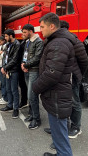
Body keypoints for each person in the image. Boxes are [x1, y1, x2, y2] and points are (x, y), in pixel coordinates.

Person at [32, 13, 74, 156]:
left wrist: (35, 87)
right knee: (57, 133)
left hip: (57, 96)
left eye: (42, 27)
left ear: (52, 26)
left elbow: (51, 73)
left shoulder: (58, 44)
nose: (40, 30)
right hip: (55, 95)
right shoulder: (56, 41)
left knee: (61, 135)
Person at [43, 20, 88, 139]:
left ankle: (76, 127)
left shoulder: (74, 41)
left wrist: (78, 75)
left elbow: (84, 61)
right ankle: (61, 128)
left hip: (71, 78)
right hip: (59, 78)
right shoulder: (54, 41)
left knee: (74, 102)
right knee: (61, 104)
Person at [21, 24, 44, 130]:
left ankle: (36, 119)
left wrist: (26, 65)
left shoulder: (38, 41)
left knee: (32, 95)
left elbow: (37, 57)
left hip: (33, 71)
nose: (23, 34)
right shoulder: (27, 41)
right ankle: (31, 114)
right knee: (30, 95)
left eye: (25, 32)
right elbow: (25, 55)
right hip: (27, 70)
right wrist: (23, 64)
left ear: (31, 31)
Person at [0, 29, 20, 119]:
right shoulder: (8, 45)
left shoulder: (17, 44)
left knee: (14, 90)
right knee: (8, 88)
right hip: (7, 70)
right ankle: (10, 105)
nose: (5, 38)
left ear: (11, 36)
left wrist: (5, 67)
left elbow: (15, 59)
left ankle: (16, 109)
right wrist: (4, 67)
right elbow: (5, 57)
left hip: (13, 71)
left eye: (6, 36)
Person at [0, 36, 8, 105]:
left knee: (4, 83)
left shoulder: (6, 46)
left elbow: (5, 56)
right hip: (0, 65)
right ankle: (4, 96)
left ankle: (5, 98)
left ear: (3, 41)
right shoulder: (1, 46)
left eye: (0, 42)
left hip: (3, 66)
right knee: (2, 83)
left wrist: (1, 53)